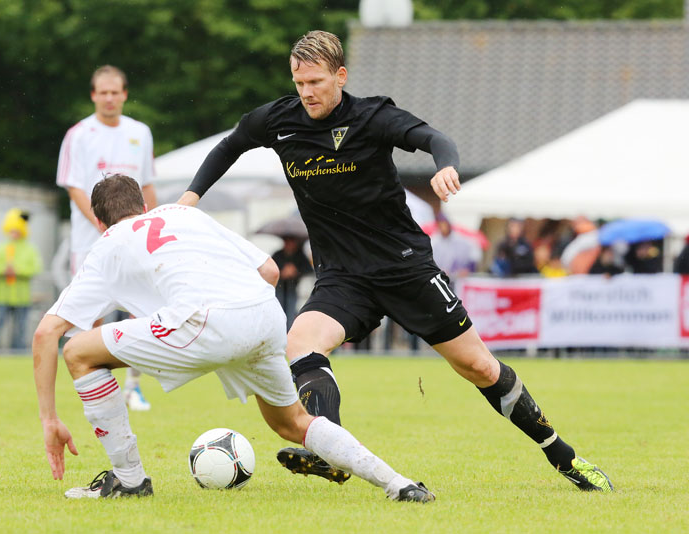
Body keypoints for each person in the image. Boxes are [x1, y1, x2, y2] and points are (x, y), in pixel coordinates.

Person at [176, 30, 613, 493]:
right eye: (299, 83)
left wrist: (446, 165)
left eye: (316, 82)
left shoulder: (372, 117)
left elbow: (434, 138)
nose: (307, 92)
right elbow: (229, 146)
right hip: (343, 276)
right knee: (300, 343)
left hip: (405, 270)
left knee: (480, 368)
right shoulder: (279, 120)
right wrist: (189, 199)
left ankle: (562, 455)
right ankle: (329, 448)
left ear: (340, 76)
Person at [33, 174, 434, 503]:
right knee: (293, 422)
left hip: (204, 322)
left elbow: (46, 333)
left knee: (79, 352)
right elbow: (270, 271)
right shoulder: (182, 213)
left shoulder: (106, 245)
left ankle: (129, 480)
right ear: (144, 206)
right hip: (264, 313)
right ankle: (398, 483)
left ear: (99, 223)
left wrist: (50, 419)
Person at [56, 64, 158, 411]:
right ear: (93, 95)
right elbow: (74, 187)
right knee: (90, 317)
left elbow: (146, 185)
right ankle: (96, 391)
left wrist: (154, 225)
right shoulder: (78, 134)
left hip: (134, 239)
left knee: (144, 310)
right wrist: (103, 224)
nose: (110, 98)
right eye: (103, 92)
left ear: (125, 94)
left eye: (115, 92)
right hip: (91, 241)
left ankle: (133, 387)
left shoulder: (140, 132)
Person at [0, 209, 42, 351]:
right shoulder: (1, 247)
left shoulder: (29, 248)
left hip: (21, 297)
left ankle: (18, 353)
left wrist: (18, 270)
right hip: (3, 296)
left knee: (19, 330)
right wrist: (3, 270)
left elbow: (35, 268)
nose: (14, 233)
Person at [272, 236, 313, 328]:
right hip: (279, 288)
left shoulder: (300, 255)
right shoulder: (278, 254)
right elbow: (272, 269)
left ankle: (289, 330)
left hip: (293, 288)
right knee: (278, 310)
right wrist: (282, 272)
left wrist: (296, 271)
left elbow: (308, 269)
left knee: (291, 310)